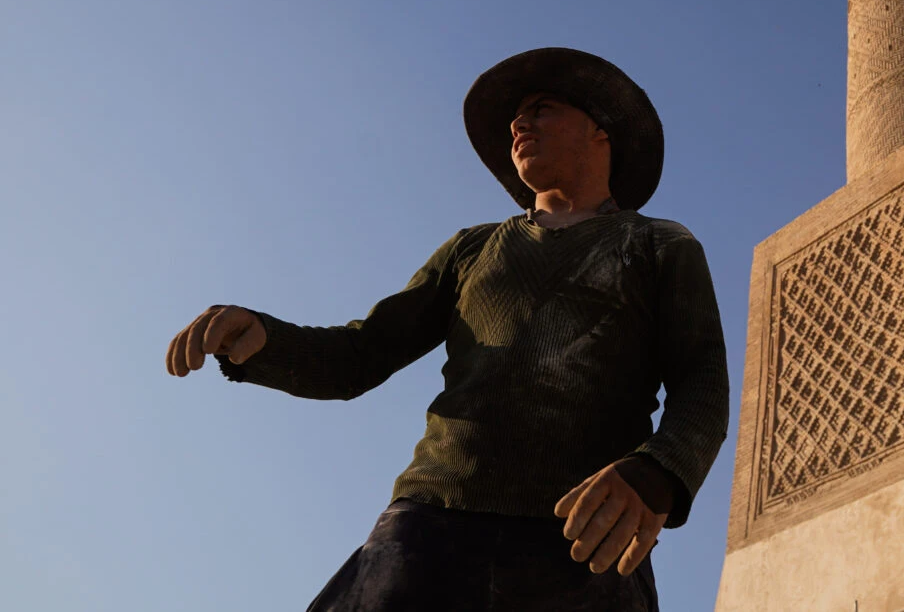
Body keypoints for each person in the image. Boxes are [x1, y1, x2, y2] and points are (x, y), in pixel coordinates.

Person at [165, 48, 730, 611]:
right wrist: (265, 340)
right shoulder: (473, 248)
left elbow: (702, 381)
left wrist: (660, 472)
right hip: (429, 528)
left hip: (583, 540)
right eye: (516, 117)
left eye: (543, 108)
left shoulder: (659, 243)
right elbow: (362, 352)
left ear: (600, 132)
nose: (519, 124)